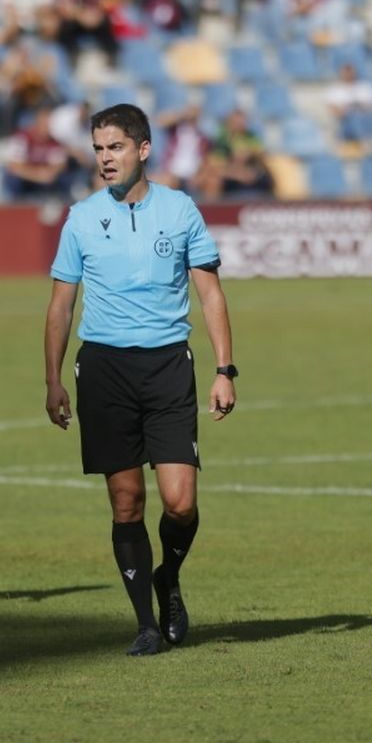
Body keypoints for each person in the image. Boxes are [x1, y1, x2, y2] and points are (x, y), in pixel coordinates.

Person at [43, 103, 237, 656]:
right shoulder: (80, 218)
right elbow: (60, 306)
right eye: (99, 148)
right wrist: (52, 380)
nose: (105, 158)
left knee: (179, 503)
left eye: (116, 147)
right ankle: (145, 624)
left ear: (143, 149)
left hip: (168, 367)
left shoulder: (180, 211)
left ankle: (168, 576)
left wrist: (225, 370)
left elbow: (211, 294)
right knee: (126, 502)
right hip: (103, 369)